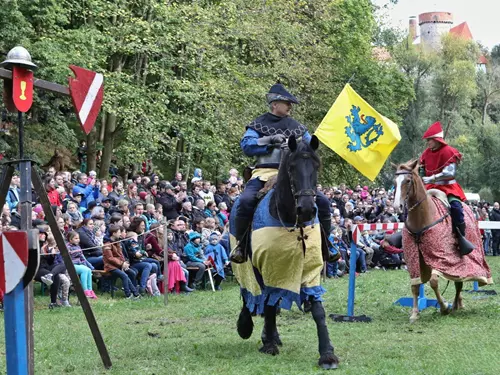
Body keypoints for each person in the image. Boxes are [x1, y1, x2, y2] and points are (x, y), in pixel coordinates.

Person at [232, 83, 332, 263]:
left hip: (294, 175)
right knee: (246, 201)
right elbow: (246, 146)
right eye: (286, 103)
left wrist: (302, 147)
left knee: (323, 201)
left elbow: (310, 149)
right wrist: (270, 140)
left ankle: (327, 244)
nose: (290, 106)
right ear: (274, 104)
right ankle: (242, 245)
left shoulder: (298, 127)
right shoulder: (258, 124)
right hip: (265, 172)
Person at [419, 121, 474, 256]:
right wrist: (420, 176)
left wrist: (432, 178)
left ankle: (461, 238)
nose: (428, 143)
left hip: (447, 186)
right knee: (414, 202)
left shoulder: (449, 151)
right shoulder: (426, 153)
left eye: (430, 140)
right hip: (429, 186)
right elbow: (422, 168)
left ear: (437, 140)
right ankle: (408, 232)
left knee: (455, 206)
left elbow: (450, 173)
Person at [103, 225, 140, 299]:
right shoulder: (107, 245)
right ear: (114, 233)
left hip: (119, 265)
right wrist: (121, 264)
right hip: (110, 267)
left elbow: (121, 255)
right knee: (124, 276)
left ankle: (135, 293)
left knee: (132, 273)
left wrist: (125, 263)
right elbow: (110, 258)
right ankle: (128, 295)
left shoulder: (118, 242)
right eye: (119, 232)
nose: (120, 234)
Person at [67, 231, 97, 299]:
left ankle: (90, 290)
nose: (78, 240)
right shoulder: (68, 247)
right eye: (76, 238)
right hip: (71, 265)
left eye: (78, 238)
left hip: (79, 264)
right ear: (70, 240)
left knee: (88, 270)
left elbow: (83, 258)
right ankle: (85, 291)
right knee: (84, 270)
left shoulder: (78, 247)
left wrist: (91, 267)